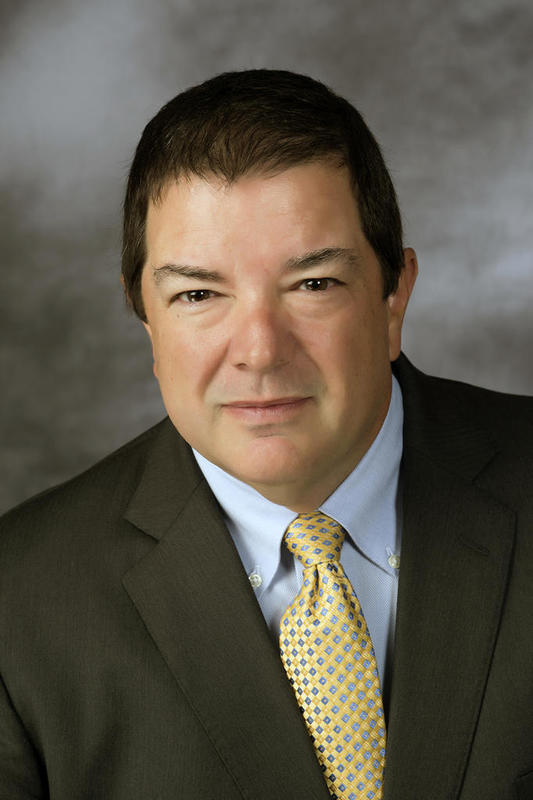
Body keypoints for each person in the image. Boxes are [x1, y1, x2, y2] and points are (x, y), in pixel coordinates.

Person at [0, 69, 531, 800]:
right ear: (146, 318)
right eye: (198, 294)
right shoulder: (19, 602)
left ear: (393, 298)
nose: (259, 350)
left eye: (313, 284)